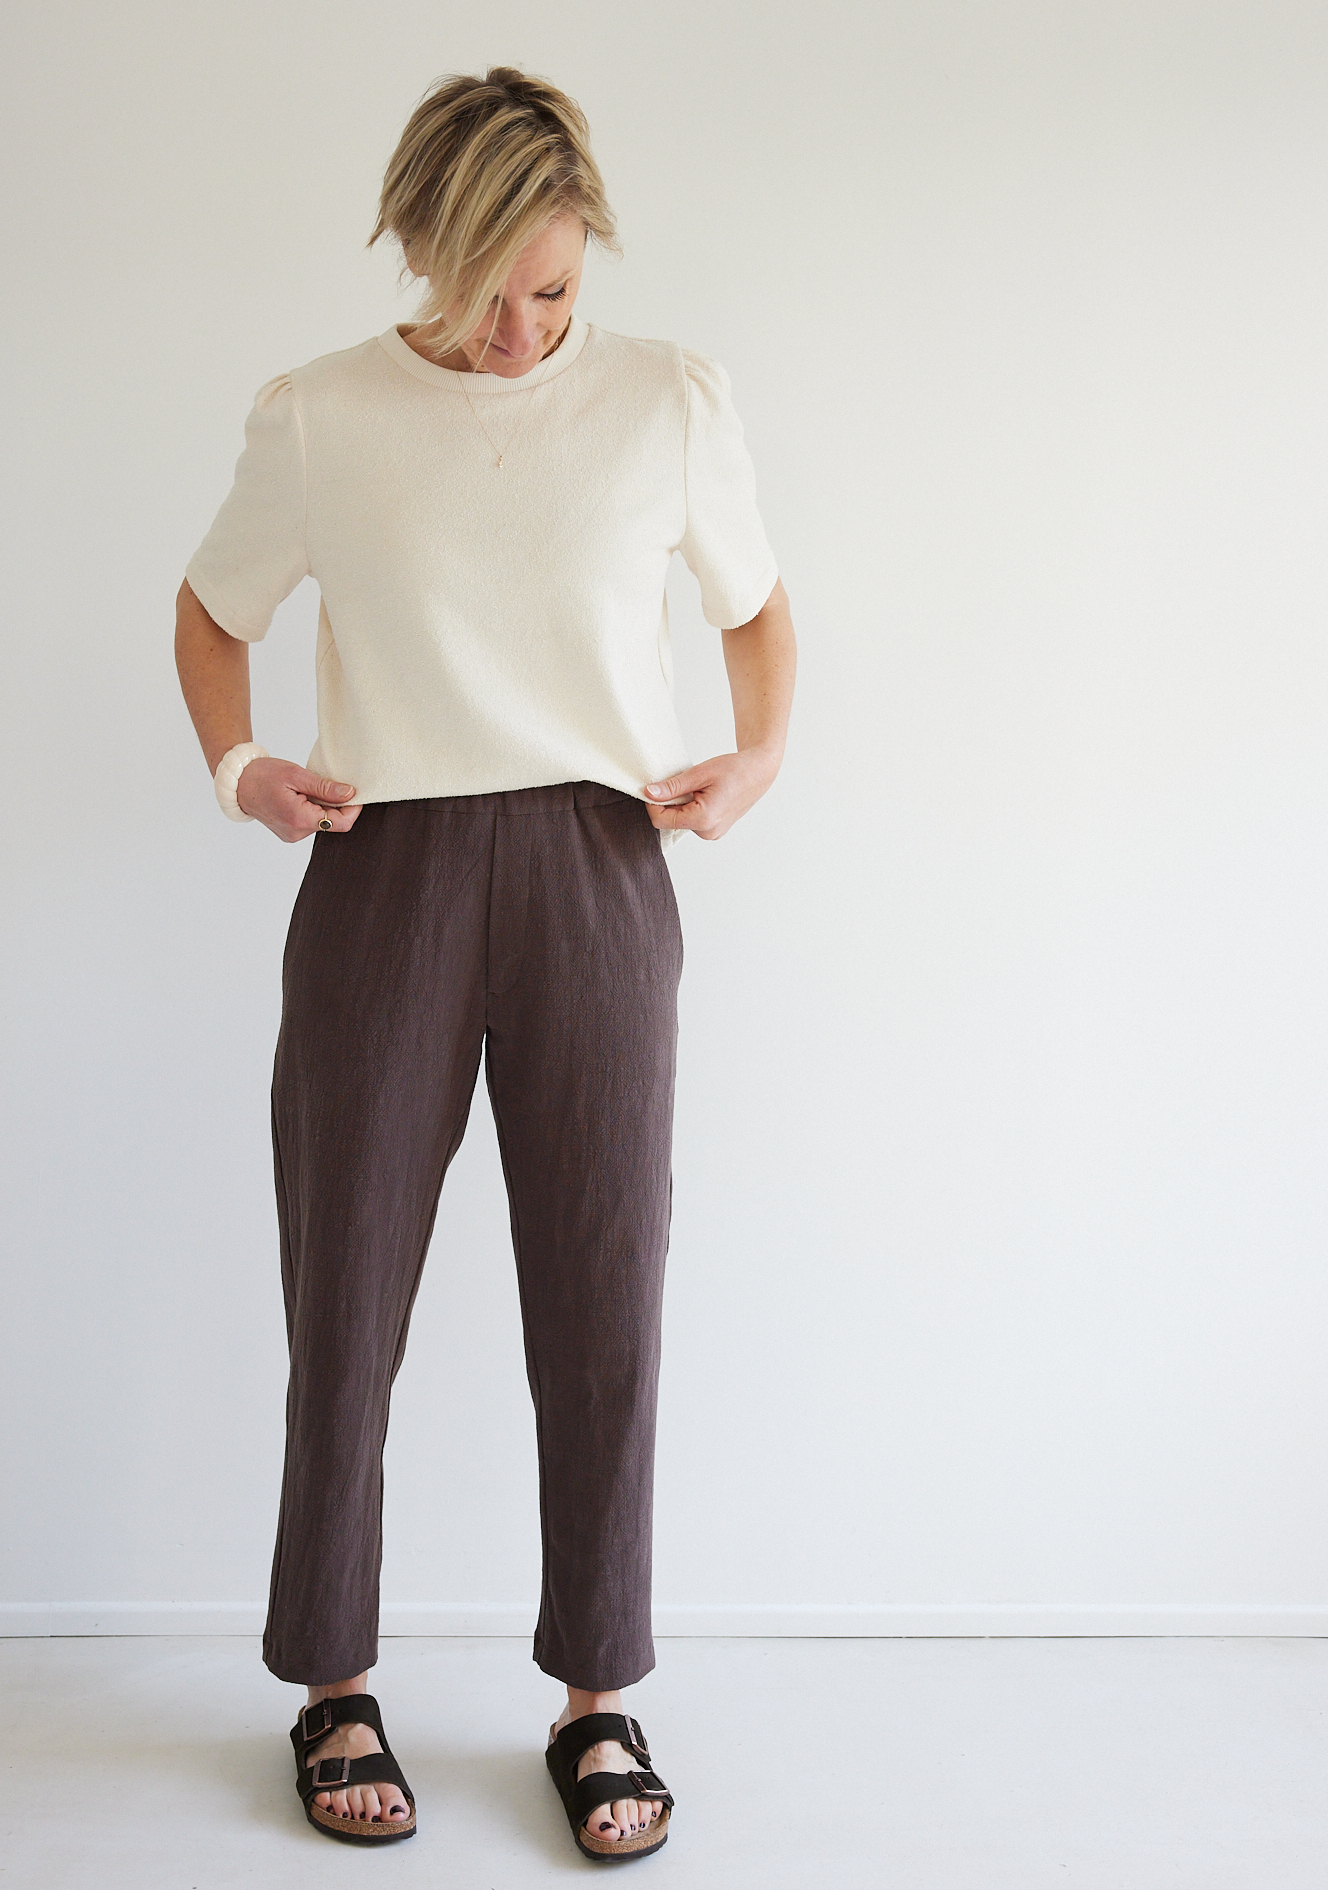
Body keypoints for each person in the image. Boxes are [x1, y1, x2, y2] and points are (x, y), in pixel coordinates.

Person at [174, 66, 796, 1861]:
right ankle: (332, 1683)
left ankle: (597, 1696)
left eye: (553, 288)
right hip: (386, 870)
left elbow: (757, 609)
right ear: (414, 246)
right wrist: (240, 765)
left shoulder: (667, 400)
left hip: (598, 867)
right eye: (481, 291)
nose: (520, 331)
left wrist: (755, 759)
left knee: (605, 1291)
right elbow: (211, 614)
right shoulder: (321, 414)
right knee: (345, 1287)